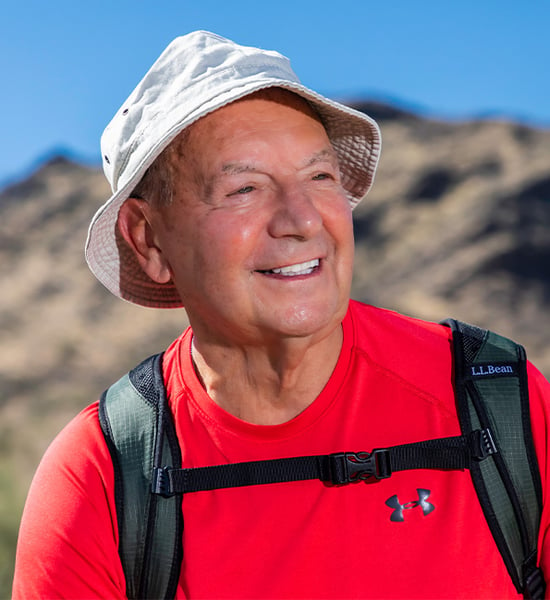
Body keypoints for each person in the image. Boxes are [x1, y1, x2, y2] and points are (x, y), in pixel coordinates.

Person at [12, 30, 550, 599]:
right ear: (149, 240)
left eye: (320, 178)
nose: (301, 219)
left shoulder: (495, 399)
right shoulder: (104, 473)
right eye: (244, 188)